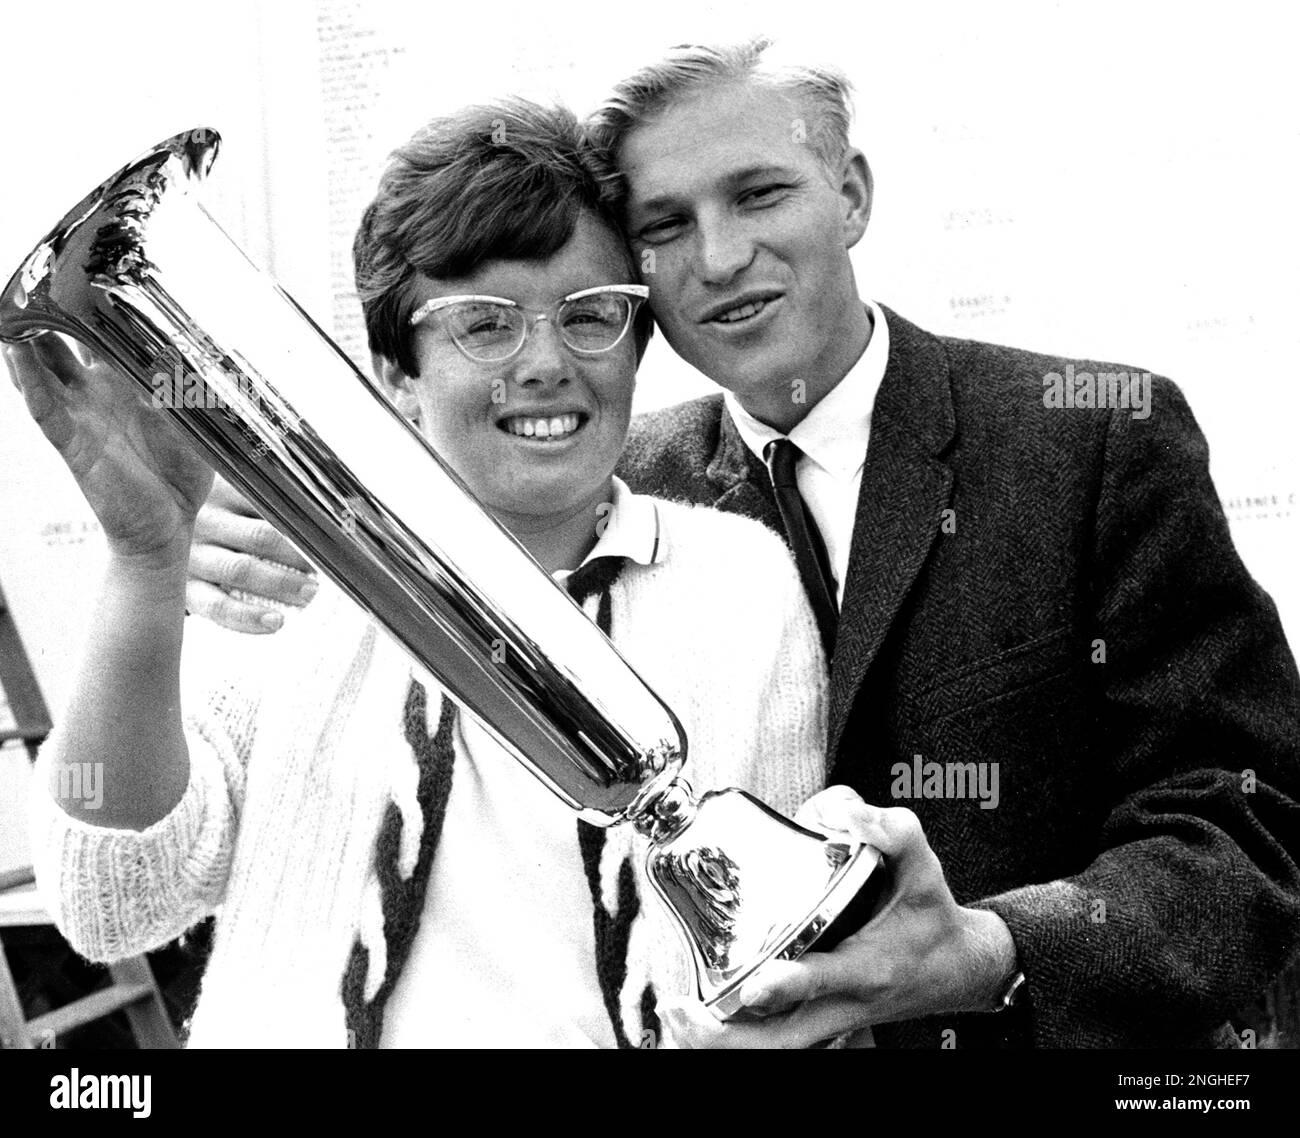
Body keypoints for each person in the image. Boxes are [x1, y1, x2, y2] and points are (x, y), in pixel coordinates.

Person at [187, 38, 1300, 1049]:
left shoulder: (1091, 439)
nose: (718, 257)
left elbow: (1250, 824)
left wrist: (991, 951)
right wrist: (232, 532)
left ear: (852, 194)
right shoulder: (614, 483)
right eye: (665, 226)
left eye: (759, 193)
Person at [8, 100, 831, 1048]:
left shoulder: (742, 585)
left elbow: (771, 954)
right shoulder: (275, 578)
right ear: (396, 371)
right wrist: (143, 564)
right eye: (483, 325)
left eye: (592, 317)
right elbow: (111, 909)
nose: (545, 365)